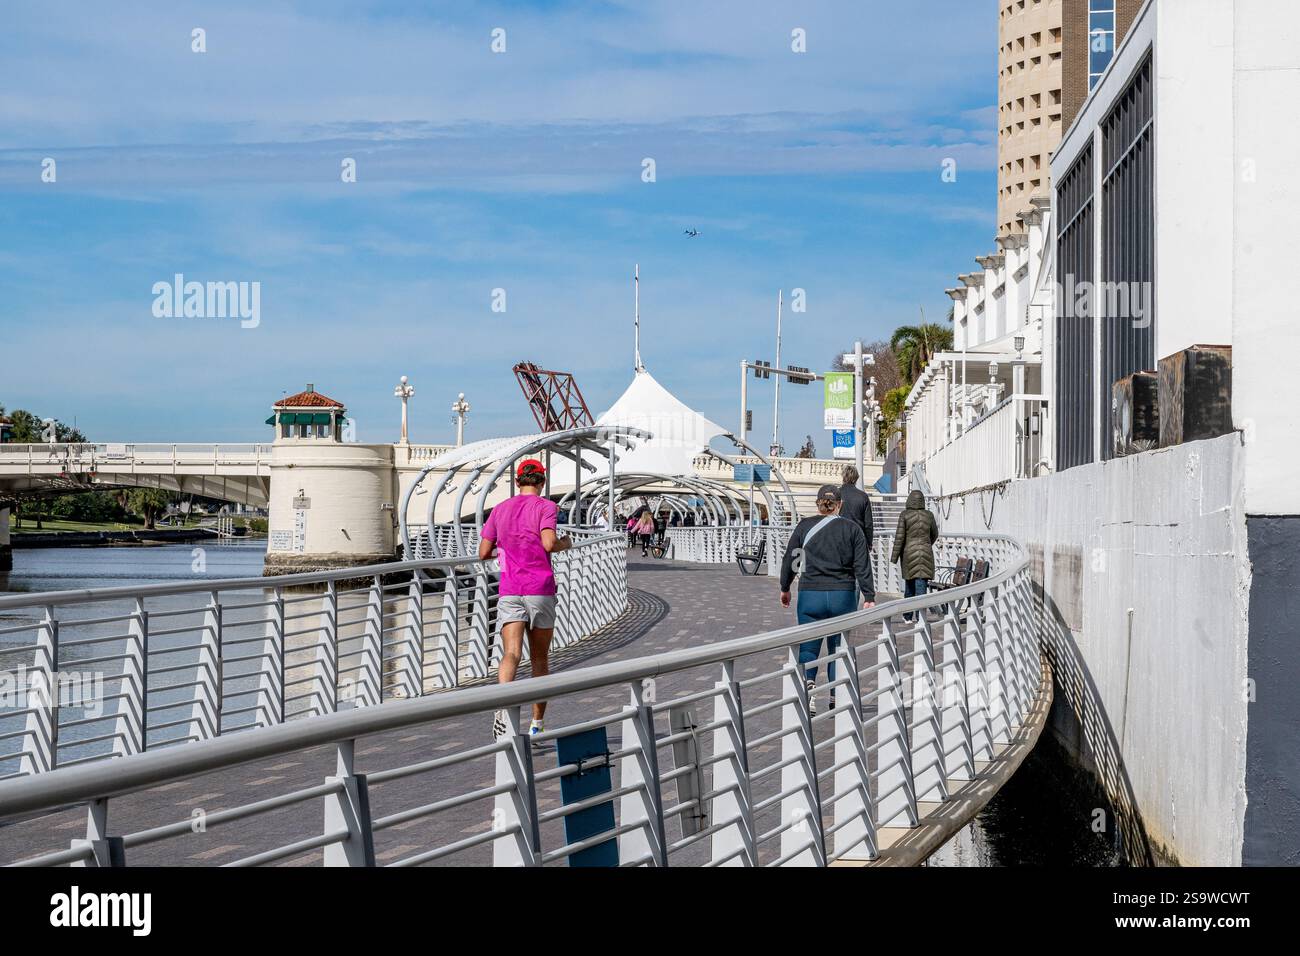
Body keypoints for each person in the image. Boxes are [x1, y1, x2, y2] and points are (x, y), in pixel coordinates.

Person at [478, 458, 571, 740]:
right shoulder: (546, 507)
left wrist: (506, 553)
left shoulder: (500, 509)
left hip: (510, 589)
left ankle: (504, 711)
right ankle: (536, 724)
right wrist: (567, 542)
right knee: (539, 658)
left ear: (518, 482)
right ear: (541, 482)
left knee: (511, 653)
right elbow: (549, 543)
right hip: (540, 589)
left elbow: (484, 552)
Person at [779, 485, 875, 716]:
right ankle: (835, 696)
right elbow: (862, 565)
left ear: (818, 503)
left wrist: (785, 587)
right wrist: (869, 595)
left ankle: (809, 689)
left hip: (811, 595)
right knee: (837, 647)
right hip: (842, 595)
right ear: (840, 504)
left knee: (809, 648)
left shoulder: (804, 527)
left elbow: (792, 560)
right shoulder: (852, 529)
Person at [890, 489, 938, 621]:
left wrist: (894, 557)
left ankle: (908, 617)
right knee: (921, 586)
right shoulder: (929, 515)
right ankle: (921, 617)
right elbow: (935, 534)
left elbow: (900, 538)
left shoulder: (904, 515)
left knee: (909, 587)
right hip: (926, 554)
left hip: (909, 555)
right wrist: (926, 544)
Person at [838, 465, 875, 556]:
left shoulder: (836, 494)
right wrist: (869, 543)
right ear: (856, 479)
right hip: (858, 539)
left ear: (843, 477)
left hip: (838, 538)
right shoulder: (863, 496)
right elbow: (868, 524)